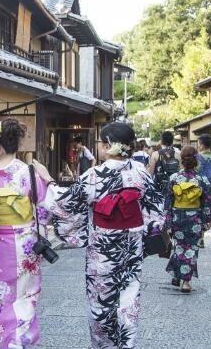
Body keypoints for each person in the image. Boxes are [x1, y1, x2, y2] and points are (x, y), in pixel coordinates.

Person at [44, 122, 165, 349]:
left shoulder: (94, 176)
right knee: (129, 297)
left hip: (103, 248)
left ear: (109, 145)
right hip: (131, 246)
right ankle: (125, 344)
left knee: (101, 300)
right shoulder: (141, 173)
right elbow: (156, 210)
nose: (98, 145)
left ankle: (103, 345)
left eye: (100, 142)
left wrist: (49, 181)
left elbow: (64, 203)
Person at [0, 119, 49, 348]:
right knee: (25, 295)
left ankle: (3, 342)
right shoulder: (28, 173)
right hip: (25, 244)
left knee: (0, 296)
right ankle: (21, 341)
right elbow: (43, 209)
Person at [164, 146, 211, 293]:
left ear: (181, 161)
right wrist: (206, 219)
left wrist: (168, 222)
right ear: (196, 161)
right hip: (194, 218)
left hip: (177, 217)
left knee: (179, 247)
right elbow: (209, 200)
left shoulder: (174, 178)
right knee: (191, 249)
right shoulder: (201, 179)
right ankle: (185, 282)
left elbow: (167, 203)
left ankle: (178, 275)